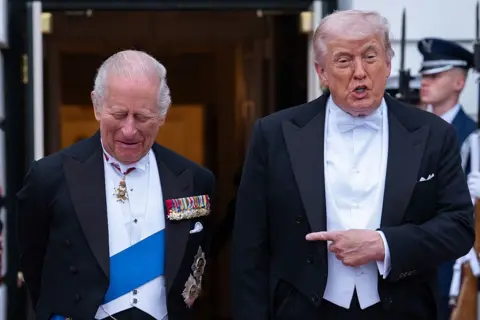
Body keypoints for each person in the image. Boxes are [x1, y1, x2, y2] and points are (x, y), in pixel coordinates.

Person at [231, 9, 474, 319]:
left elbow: (459, 228)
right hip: (303, 309)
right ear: (321, 72)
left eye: (370, 57)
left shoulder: (434, 133)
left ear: (388, 63)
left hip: (401, 309)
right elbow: (249, 248)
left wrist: (385, 245)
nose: (360, 72)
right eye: (344, 60)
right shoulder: (275, 133)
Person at [17, 50, 215, 320]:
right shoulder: (49, 177)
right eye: (119, 114)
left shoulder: (195, 180)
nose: (129, 130)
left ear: (162, 114)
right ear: (97, 106)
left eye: (142, 116)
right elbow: (33, 263)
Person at [417, 37, 477, 319]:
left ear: (459, 83)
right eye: (424, 75)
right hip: (407, 261)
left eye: (435, 75)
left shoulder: (473, 137)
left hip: (449, 265)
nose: (424, 81)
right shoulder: (410, 129)